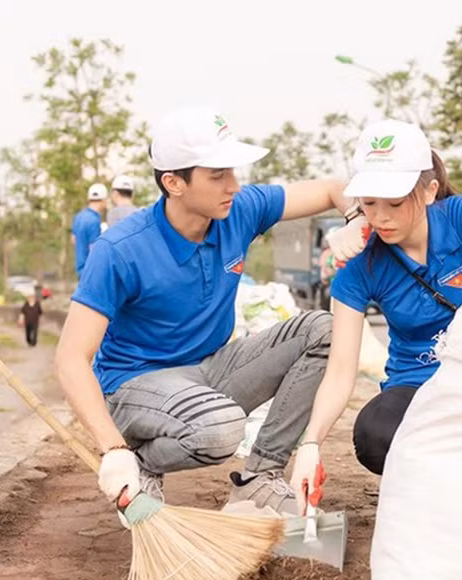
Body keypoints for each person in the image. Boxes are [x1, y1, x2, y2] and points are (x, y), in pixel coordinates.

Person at [55, 106, 355, 518]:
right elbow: (71, 359)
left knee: (324, 329)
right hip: (135, 384)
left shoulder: (239, 211)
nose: (233, 185)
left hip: (211, 369)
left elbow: (332, 188)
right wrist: (113, 449)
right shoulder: (120, 251)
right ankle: (142, 464)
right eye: (217, 176)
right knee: (221, 428)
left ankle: (259, 480)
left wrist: (355, 219)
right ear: (174, 182)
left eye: (232, 172)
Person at [288, 119, 462, 512]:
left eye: (394, 203)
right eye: (369, 203)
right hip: (417, 389)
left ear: (429, 191)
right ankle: (449, 484)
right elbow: (342, 370)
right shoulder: (360, 266)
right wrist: (310, 443)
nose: (380, 218)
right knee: (374, 433)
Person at [71, 183, 107, 277]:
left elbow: (73, 240)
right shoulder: (95, 220)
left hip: (80, 269)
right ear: (103, 201)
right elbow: (94, 249)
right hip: (91, 272)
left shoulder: (78, 216)